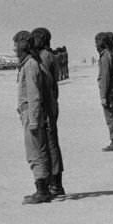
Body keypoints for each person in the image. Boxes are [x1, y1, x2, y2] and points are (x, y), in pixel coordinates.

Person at [15, 30, 51, 204]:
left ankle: (42, 190)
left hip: (31, 114)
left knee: (35, 152)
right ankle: (43, 188)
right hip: (30, 113)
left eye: (16, 45)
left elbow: (34, 95)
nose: (15, 49)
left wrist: (35, 120)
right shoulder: (31, 63)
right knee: (37, 151)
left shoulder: (30, 65)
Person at [31, 28, 65, 196]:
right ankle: (54, 182)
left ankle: (55, 183)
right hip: (50, 104)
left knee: (50, 144)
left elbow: (44, 83)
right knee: (50, 143)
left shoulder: (44, 57)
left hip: (47, 106)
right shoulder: (48, 55)